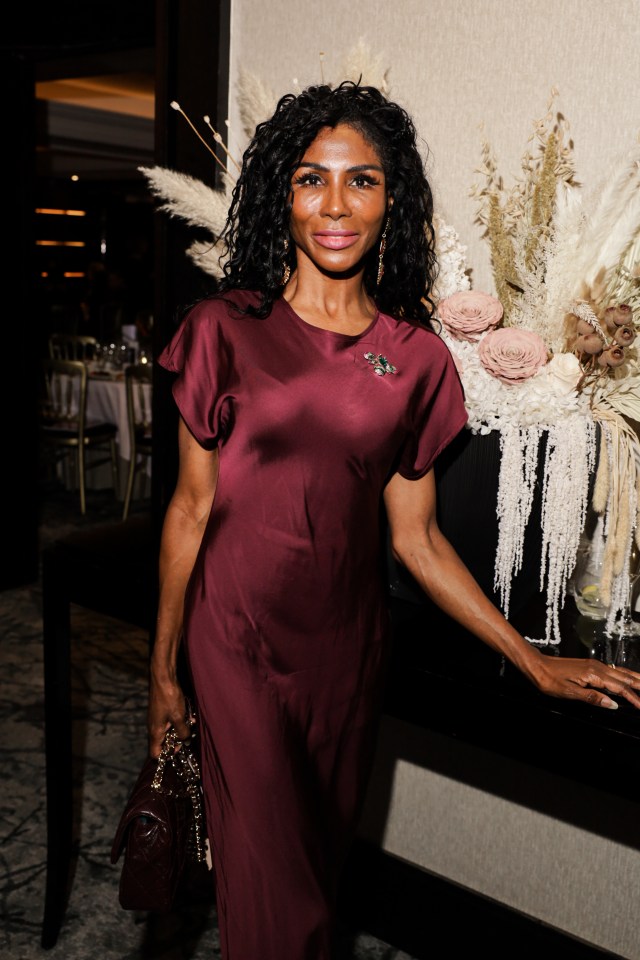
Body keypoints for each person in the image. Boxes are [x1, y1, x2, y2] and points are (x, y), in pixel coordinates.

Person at [148, 81, 640, 960]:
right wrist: (162, 670)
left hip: (347, 651)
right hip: (237, 640)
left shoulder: (416, 360)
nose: (336, 205)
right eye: (312, 179)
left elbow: (418, 539)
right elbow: (190, 510)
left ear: (392, 200)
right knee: (277, 907)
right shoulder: (224, 329)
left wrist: (530, 658)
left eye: (362, 181)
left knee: (316, 874)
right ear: (282, 196)